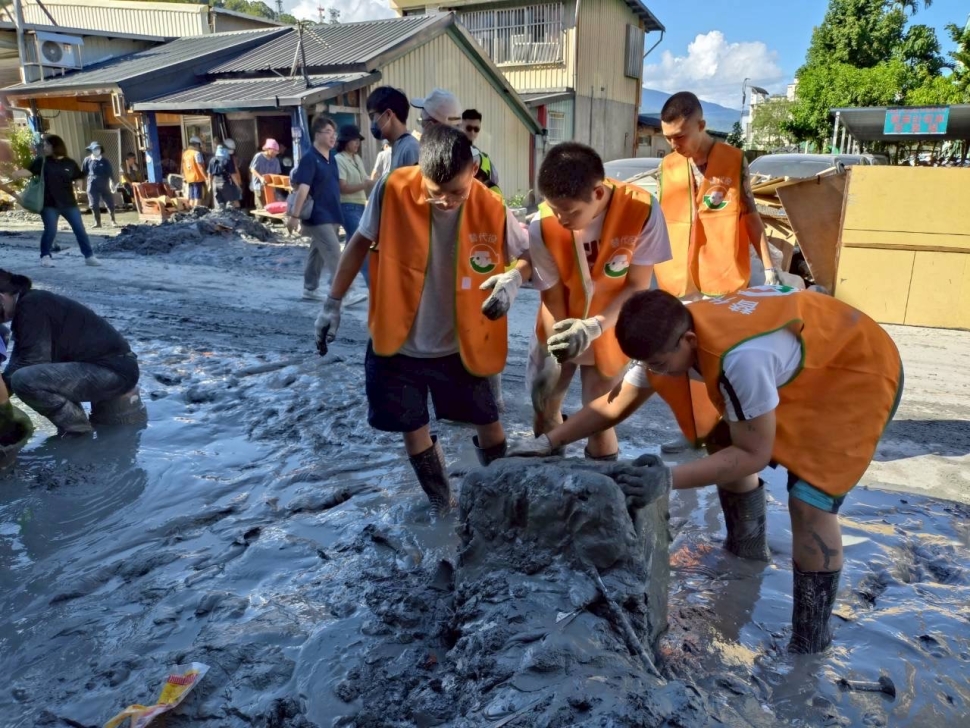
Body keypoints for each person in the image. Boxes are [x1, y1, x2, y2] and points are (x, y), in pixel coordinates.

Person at [516, 285, 904, 653]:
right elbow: (615, 403)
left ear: (687, 342)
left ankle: (810, 640)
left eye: (661, 364)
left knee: (810, 500)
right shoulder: (668, 331)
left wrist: (667, 479)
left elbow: (753, 455)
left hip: (856, 366)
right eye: (647, 365)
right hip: (806, 346)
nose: (658, 373)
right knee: (722, 443)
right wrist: (549, 441)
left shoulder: (740, 360)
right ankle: (747, 552)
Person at [313, 125, 532, 514]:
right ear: (420, 173)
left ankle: (499, 502)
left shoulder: (490, 205)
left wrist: (514, 279)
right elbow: (359, 243)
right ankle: (441, 504)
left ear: (473, 173)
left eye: (457, 192)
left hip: (461, 343)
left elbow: (528, 256)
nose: (447, 201)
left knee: (489, 422)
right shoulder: (392, 189)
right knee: (412, 428)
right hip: (398, 341)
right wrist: (331, 303)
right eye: (436, 193)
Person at [654, 91, 782, 455]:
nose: (675, 144)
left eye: (680, 136)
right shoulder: (668, 167)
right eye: (668, 138)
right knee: (680, 363)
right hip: (679, 280)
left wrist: (770, 267)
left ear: (701, 125)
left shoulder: (733, 160)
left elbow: (751, 216)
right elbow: (661, 223)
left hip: (723, 280)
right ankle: (691, 430)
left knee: (722, 363)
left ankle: (727, 434)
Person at [526, 142, 671, 460]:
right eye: (556, 210)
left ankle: (603, 492)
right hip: (561, 320)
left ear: (599, 194)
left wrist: (594, 326)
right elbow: (550, 294)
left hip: (610, 320)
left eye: (571, 212)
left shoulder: (642, 211)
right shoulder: (542, 224)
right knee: (545, 402)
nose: (563, 219)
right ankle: (549, 482)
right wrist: (555, 350)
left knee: (598, 415)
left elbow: (636, 285)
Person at [0, 268, 147, 437]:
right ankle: (77, 428)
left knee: (24, 380)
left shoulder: (31, 305)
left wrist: (2, 401)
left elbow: (30, 363)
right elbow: (21, 362)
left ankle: (78, 432)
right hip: (107, 368)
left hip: (113, 372)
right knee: (25, 377)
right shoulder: (30, 304)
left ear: (2, 298)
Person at [9, 134, 101, 267]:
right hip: (49, 204)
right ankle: (45, 256)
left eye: (47, 145)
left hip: (69, 203)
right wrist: (17, 173)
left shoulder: (70, 163)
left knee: (79, 229)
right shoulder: (42, 161)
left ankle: (89, 257)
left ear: (55, 146)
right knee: (50, 230)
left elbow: (77, 176)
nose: (44, 147)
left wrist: (79, 183)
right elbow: (29, 172)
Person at [287, 115, 343, 301]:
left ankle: (310, 289)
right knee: (335, 253)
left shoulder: (331, 159)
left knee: (317, 252)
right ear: (316, 135)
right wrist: (294, 216)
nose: (332, 137)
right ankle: (344, 292)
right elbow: (303, 189)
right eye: (328, 132)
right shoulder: (310, 159)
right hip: (317, 215)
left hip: (332, 213)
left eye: (334, 133)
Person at [334, 124, 374, 286]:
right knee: (361, 246)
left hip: (359, 205)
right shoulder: (339, 159)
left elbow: (365, 179)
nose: (357, 143)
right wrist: (366, 185)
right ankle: (372, 283)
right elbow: (342, 187)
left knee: (351, 247)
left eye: (358, 140)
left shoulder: (356, 159)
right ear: (345, 142)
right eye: (354, 140)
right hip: (347, 206)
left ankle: (336, 282)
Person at [365, 86, 420, 171]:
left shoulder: (410, 148)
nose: (372, 123)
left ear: (388, 114)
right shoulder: (397, 147)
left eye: (372, 117)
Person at [462, 109, 501, 196]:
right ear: (460, 126)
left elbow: (494, 188)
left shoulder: (485, 158)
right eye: (468, 128)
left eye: (476, 129)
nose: (472, 132)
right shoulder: (449, 153)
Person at [80, 142, 117, 228]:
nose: (97, 150)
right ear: (91, 150)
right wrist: (80, 183)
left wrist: (112, 182)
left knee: (109, 203)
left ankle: (113, 220)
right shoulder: (87, 160)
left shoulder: (105, 161)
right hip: (92, 184)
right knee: (93, 204)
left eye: (98, 149)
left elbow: (110, 173)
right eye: (95, 149)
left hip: (104, 183)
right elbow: (83, 173)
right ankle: (97, 223)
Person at [207, 145, 242, 211]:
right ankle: (236, 218)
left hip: (215, 184)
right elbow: (232, 174)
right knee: (231, 203)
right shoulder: (228, 160)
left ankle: (222, 219)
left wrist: (209, 185)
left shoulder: (212, 160)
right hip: (226, 184)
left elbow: (209, 174)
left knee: (221, 204)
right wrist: (238, 185)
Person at [250, 138, 282, 208]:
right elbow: (252, 169)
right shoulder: (259, 157)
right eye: (274, 151)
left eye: (277, 152)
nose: (275, 153)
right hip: (259, 187)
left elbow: (277, 174)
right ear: (268, 149)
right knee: (261, 208)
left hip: (270, 188)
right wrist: (261, 178)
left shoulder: (276, 160)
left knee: (271, 207)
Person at [181, 135, 206, 208]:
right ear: (196, 144)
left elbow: (183, 166)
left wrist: (184, 176)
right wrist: (206, 177)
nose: (200, 147)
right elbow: (200, 166)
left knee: (191, 197)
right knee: (198, 197)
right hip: (197, 178)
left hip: (189, 179)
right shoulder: (196, 153)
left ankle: (191, 211)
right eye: (199, 145)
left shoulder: (185, 154)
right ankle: (196, 211)